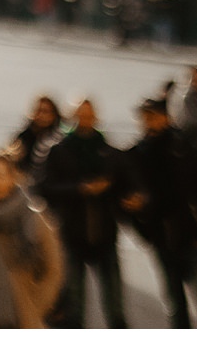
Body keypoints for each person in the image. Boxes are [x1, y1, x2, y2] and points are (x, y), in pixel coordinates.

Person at [41, 100, 128, 328]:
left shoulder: (109, 152)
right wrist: (80, 188)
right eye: (80, 115)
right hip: (71, 233)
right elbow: (46, 188)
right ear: (72, 117)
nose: (85, 120)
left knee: (115, 305)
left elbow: (125, 186)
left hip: (105, 234)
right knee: (74, 305)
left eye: (89, 115)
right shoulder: (59, 150)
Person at [122, 92, 197, 328]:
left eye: (154, 116)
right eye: (145, 116)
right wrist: (142, 227)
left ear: (166, 117)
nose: (150, 121)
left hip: (193, 234)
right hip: (160, 235)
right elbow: (127, 198)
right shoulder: (136, 154)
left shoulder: (184, 147)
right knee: (174, 297)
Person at [0, 153, 63, 327]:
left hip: (25, 313)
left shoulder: (34, 217)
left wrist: (38, 303)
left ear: (13, 178)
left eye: (0, 175)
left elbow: (53, 267)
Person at [16, 96, 66, 192]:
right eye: (38, 111)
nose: (41, 115)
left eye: (46, 111)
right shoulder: (22, 139)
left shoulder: (61, 141)